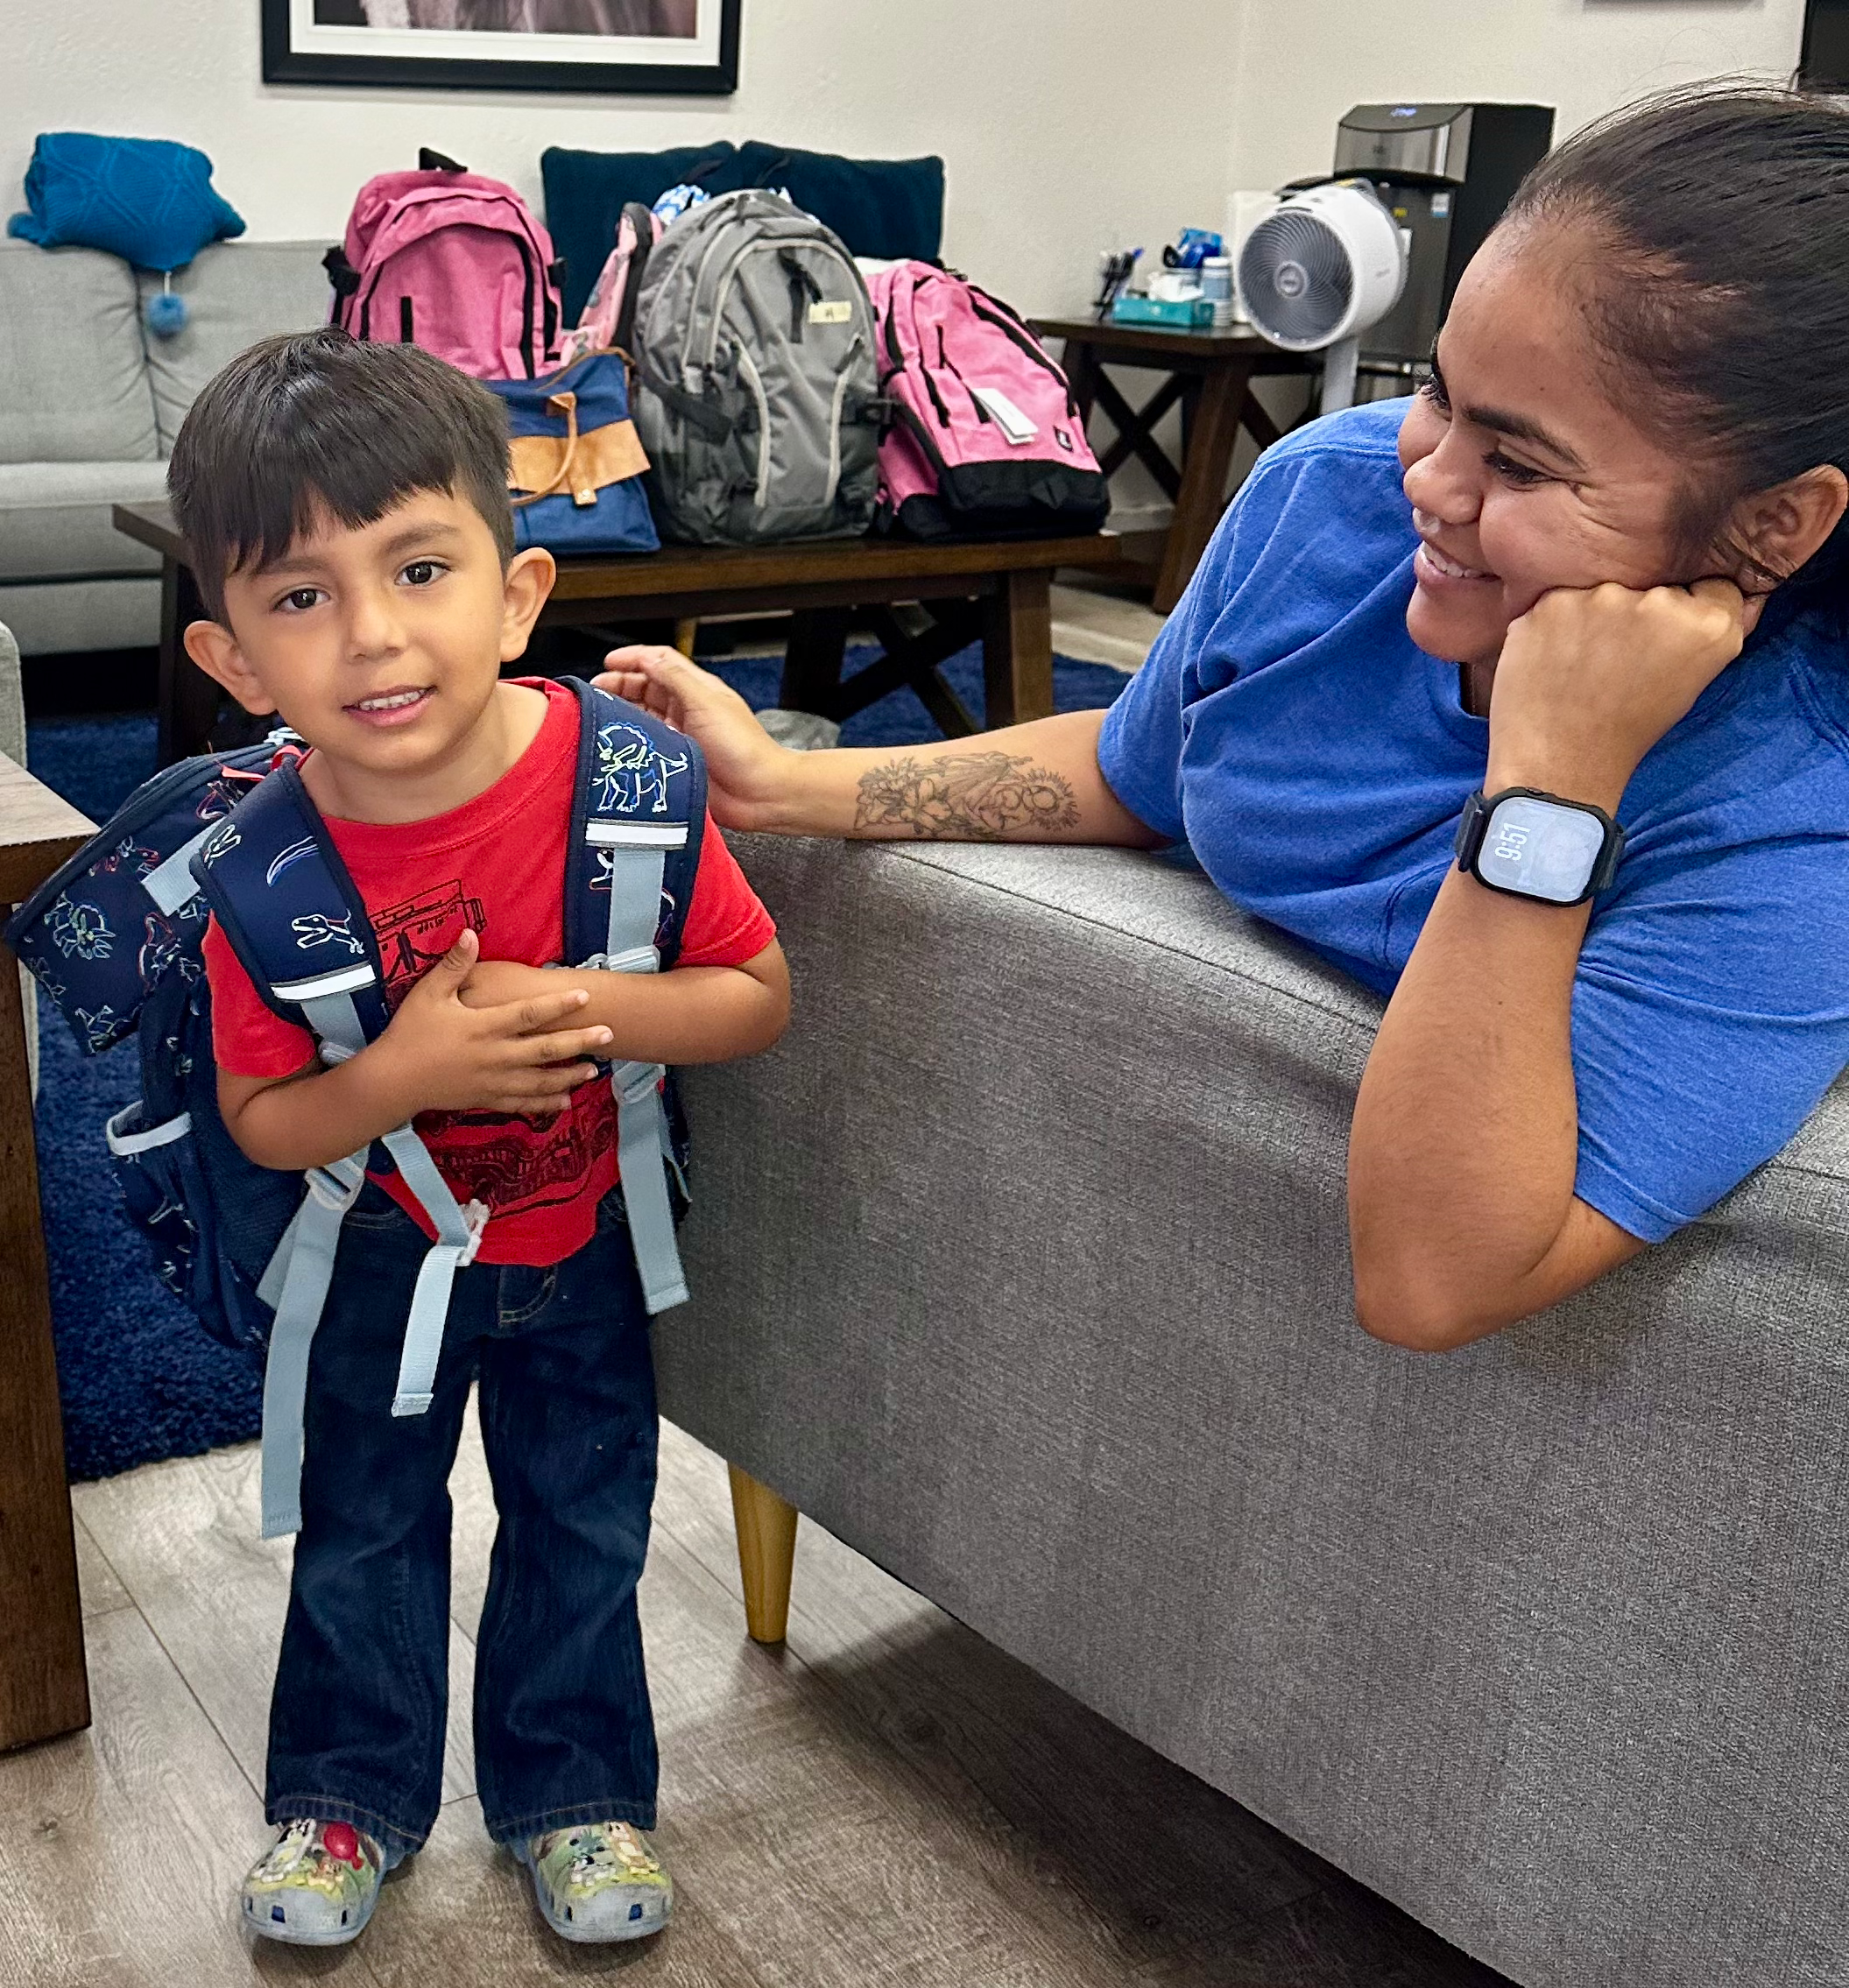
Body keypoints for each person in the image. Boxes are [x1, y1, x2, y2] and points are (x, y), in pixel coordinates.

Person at [596, 85, 1849, 1352]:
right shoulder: (1326, 493)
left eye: (1517, 465)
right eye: (1438, 397)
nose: (1423, 477)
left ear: (1778, 523)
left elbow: (1433, 1275)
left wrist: (1548, 786)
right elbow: (1152, 764)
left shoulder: (1795, 819)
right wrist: (787, 784)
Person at [167, 328, 789, 1949]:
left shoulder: (625, 782)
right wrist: (405, 1067)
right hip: (372, 1258)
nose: (373, 634)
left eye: (420, 567)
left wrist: (584, 1003)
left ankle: (574, 1792)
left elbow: (751, 994)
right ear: (233, 662)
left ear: (515, 596)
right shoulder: (258, 866)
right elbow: (263, 1115)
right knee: (365, 1527)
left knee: (582, 1515)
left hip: (578, 1238)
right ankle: (341, 1794)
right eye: (299, 597)